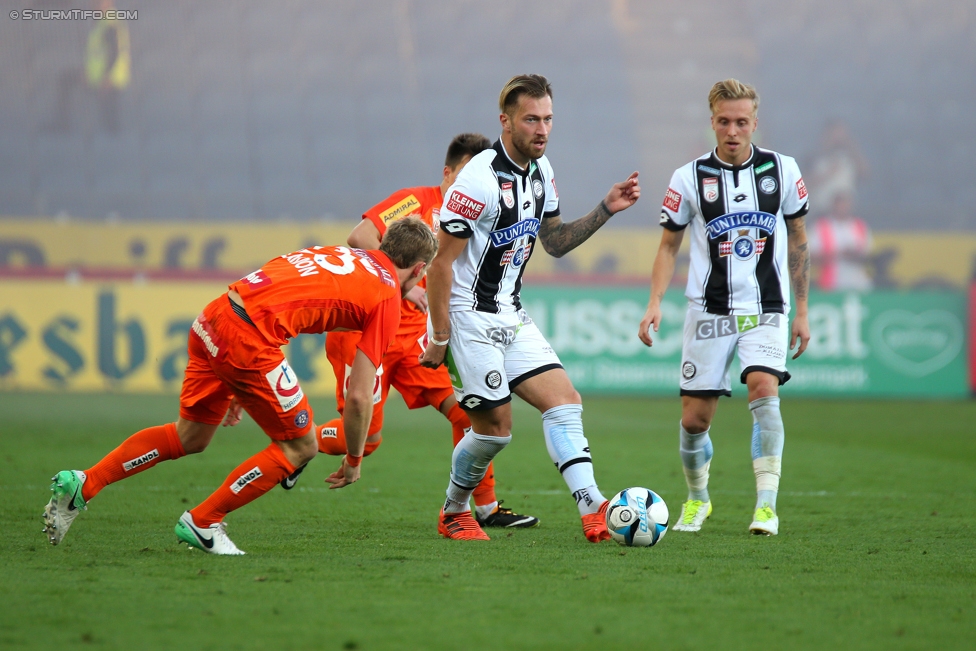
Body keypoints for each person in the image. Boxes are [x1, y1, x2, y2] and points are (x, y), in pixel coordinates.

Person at [42, 218, 438, 555]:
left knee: (191, 436)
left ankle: (85, 482)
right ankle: (203, 521)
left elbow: (278, 290)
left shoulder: (335, 254)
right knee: (300, 446)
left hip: (215, 315)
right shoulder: (387, 295)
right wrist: (354, 459)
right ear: (419, 270)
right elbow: (358, 397)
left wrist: (236, 385)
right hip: (248, 340)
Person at [419, 74, 641, 542]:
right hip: (467, 317)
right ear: (505, 121)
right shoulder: (477, 179)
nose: (542, 129)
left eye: (548, 119)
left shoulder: (543, 173)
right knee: (496, 431)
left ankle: (593, 507)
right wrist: (440, 337)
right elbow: (440, 266)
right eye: (531, 119)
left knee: (564, 402)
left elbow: (555, 242)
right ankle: (453, 511)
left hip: (510, 313)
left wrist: (605, 208)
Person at [284, 133, 539, 529]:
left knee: (472, 413)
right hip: (368, 334)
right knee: (367, 441)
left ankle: (485, 508)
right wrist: (411, 286)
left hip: (417, 342)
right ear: (447, 172)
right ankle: (297, 446)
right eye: (464, 173)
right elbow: (360, 237)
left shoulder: (476, 213)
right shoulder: (414, 201)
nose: (472, 182)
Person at [638, 79, 811, 537]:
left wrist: (803, 311)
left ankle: (767, 507)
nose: (732, 131)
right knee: (695, 420)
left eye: (741, 122)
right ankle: (697, 500)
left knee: (763, 390)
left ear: (755, 122)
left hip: (766, 306)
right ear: (712, 121)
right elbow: (667, 246)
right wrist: (655, 301)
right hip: (709, 311)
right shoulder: (688, 177)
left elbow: (798, 241)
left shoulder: (784, 170)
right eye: (723, 122)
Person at [808, 191, 873, 291]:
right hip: (830, 284)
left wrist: (853, 255)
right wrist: (838, 254)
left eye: (845, 204)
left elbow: (868, 256)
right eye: (839, 204)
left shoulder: (860, 226)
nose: (842, 207)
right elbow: (811, 258)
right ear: (833, 205)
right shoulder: (820, 227)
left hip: (859, 283)